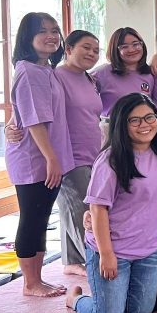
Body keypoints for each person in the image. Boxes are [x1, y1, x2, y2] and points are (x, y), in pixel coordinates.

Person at [67, 93, 157, 313]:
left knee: (140, 312)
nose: (144, 124)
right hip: (114, 249)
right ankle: (75, 299)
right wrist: (106, 255)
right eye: (134, 120)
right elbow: (97, 208)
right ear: (121, 124)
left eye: (149, 117)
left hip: (148, 249)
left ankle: (112, 296)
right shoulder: (110, 160)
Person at [4, 12, 74, 297]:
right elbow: (33, 120)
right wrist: (51, 159)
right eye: (43, 31)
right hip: (36, 159)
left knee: (42, 217)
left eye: (55, 30)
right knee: (32, 218)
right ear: (28, 37)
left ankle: (37, 279)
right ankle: (30, 283)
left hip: (48, 156)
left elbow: (19, 112)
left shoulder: (46, 70)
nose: (51, 36)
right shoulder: (29, 71)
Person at [52, 30, 103, 276]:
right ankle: (95, 262)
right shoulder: (56, 76)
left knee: (76, 206)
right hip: (69, 154)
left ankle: (71, 261)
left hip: (93, 152)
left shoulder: (89, 79)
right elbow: (33, 105)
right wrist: (11, 126)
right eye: (86, 47)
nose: (92, 53)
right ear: (69, 49)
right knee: (81, 210)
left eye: (96, 50)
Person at [93, 27, 155, 121]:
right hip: (112, 126)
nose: (131, 50)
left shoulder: (149, 74)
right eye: (124, 47)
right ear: (115, 50)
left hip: (142, 125)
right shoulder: (102, 72)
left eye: (136, 44)